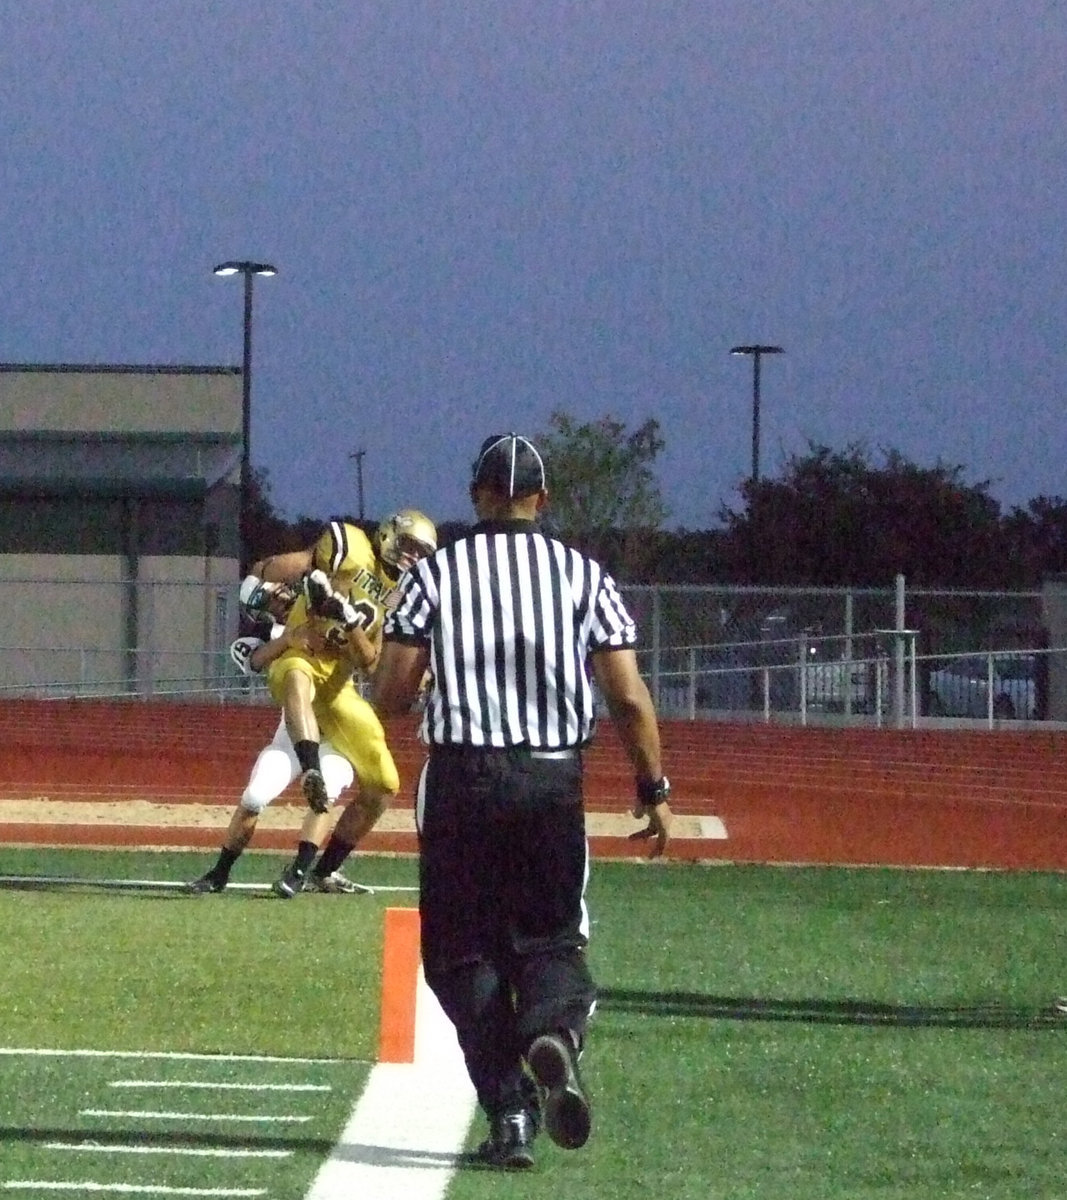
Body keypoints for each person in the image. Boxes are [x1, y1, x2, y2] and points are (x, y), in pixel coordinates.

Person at [369, 433, 672, 1170]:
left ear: (476, 494)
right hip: (549, 779)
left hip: (463, 778)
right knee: (551, 938)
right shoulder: (581, 574)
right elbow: (627, 697)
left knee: (458, 953)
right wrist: (652, 786)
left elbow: (395, 692)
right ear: (543, 498)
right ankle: (554, 1036)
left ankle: (508, 1112)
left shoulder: (435, 574)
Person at [261, 511, 437, 898]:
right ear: (389, 533)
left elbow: (373, 664)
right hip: (303, 657)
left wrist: (350, 620)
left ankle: (322, 871)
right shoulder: (350, 546)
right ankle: (311, 771)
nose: (411, 559)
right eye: (408, 546)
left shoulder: (400, 599)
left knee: (384, 784)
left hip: (338, 686)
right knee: (296, 675)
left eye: (421, 554)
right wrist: (260, 586)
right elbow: (282, 568)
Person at [185, 575, 363, 896]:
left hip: (336, 734)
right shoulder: (269, 636)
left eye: (277, 594)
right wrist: (288, 640)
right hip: (292, 736)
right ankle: (219, 872)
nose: (280, 600)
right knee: (254, 797)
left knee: (328, 792)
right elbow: (253, 660)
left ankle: (297, 872)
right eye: (269, 600)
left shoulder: (324, 612)